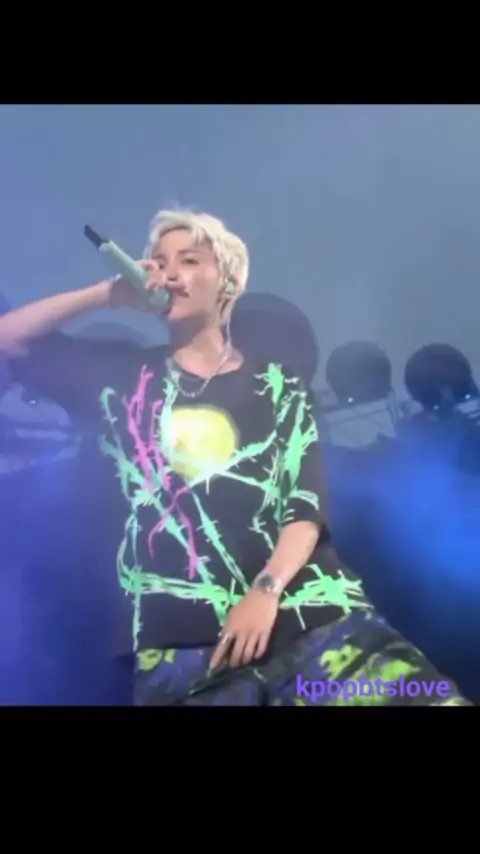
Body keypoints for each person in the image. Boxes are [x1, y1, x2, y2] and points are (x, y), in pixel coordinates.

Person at [0, 209, 470, 706]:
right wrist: (106, 295)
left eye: (188, 260)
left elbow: (305, 508)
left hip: (318, 619)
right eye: (160, 261)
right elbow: (9, 340)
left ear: (228, 280)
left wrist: (265, 591)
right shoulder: (120, 377)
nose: (169, 272)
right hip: (184, 650)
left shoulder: (279, 384)